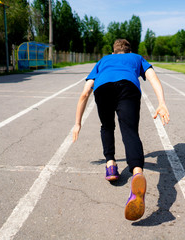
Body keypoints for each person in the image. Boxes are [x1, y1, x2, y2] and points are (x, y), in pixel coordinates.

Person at [72, 39, 169, 221]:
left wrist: (77, 123)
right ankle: (138, 173)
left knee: (107, 126)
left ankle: (110, 165)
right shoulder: (136, 58)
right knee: (130, 131)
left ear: (114, 51)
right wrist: (161, 103)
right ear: (129, 51)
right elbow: (153, 77)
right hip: (128, 87)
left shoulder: (103, 60)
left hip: (103, 88)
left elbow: (85, 92)